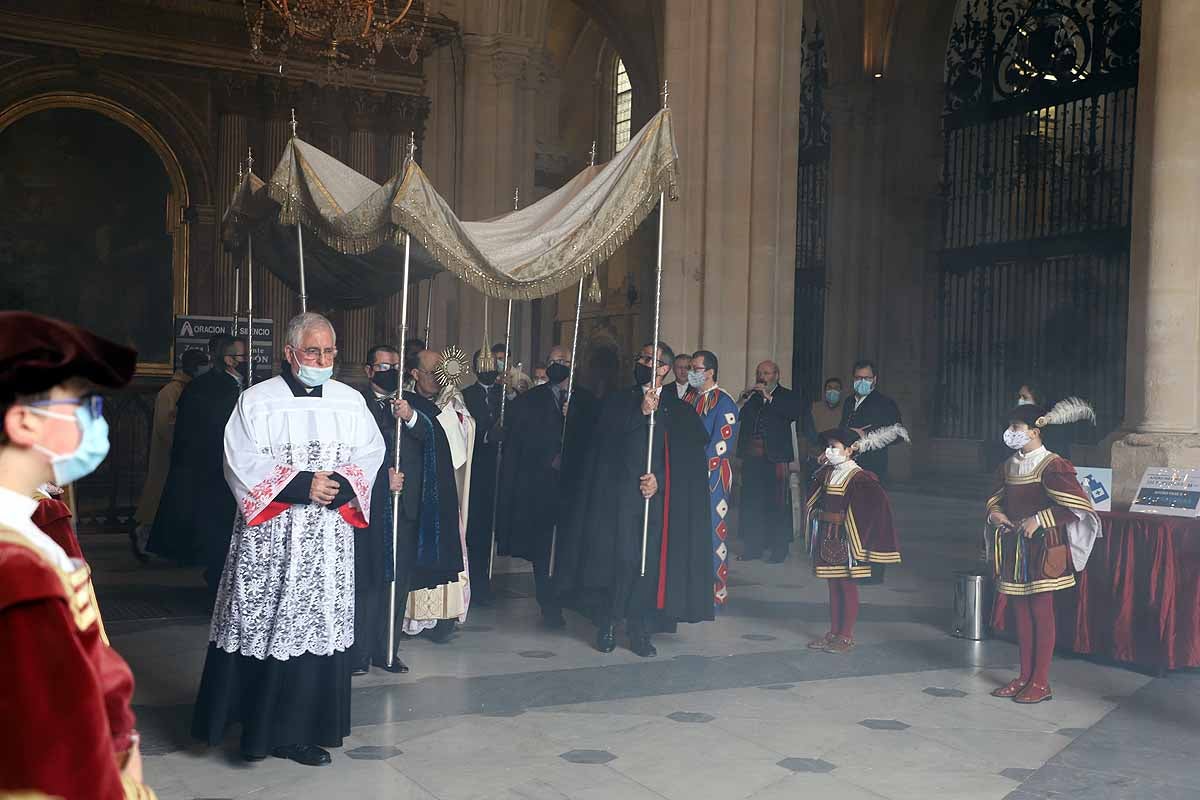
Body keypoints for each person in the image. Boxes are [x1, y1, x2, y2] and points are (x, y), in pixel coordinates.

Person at [191, 312, 385, 767]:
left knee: (312, 624)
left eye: (330, 351)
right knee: (264, 623)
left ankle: (300, 729)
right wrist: (301, 486)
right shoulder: (258, 400)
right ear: (290, 353)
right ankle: (252, 722)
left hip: (327, 537)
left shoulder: (349, 400)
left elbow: (371, 452)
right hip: (272, 537)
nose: (322, 359)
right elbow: (239, 460)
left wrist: (337, 482)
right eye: (313, 351)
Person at [0, 311, 155, 799]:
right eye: (80, 404)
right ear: (24, 421)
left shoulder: (30, 528)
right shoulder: (19, 568)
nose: (95, 418)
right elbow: (60, 754)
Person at [554, 341, 713, 657]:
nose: (641, 362)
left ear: (665, 369)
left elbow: (688, 463)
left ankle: (641, 630)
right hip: (619, 497)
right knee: (621, 560)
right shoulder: (618, 401)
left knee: (649, 567)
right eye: (640, 357)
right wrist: (640, 413)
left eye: (649, 359)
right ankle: (609, 623)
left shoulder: (678, 409)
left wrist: (661, 481)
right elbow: (603, 443)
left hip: (657, 502)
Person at [986, 400, 1099, 704]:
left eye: (1016, 428)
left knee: (1041, 611)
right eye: (1010, 428)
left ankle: (1041, 681)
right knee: (1020, 611)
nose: (1010, 433)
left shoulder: (1053, 464)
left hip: (1045, 549)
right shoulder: (1008, 465)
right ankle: (1024, 675)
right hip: (1015, 546)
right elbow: (995, 498)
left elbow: (1076, 507)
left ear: (1035, 431)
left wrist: (1040, 519)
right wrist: (995, 514)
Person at [495, 344, 598, 627]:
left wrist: (573, 419)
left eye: (562, 361)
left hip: (574, 486)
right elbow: (520, 443)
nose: (556, 365)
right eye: (552, 361)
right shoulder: (529, 401)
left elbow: (595, 441)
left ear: (573, 365)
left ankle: (570, 596)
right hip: (540, 485)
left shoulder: (587, 401)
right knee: (543, 550)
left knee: (570, 545)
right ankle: (549, 604)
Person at [350, 345, 429, 676]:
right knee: (367, 582)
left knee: (398, 582)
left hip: (403, 507)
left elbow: (430, 439)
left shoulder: (411, 407)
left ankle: (388, 651)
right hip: (369, 506)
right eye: (383, 365)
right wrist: (383, 479)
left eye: (395, 366)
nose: (390, 371)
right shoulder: (355, 405)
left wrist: (409, 417)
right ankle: (359, 654)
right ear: (369, 371)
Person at [148, 336, 246, 599]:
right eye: (241, 356)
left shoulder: (230, 385)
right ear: (228, 360)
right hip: (209, 466)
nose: (246, 361)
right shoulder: (208, 387)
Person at [804, 428, 902, 654]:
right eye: (827, 447)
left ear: (848, 451)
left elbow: (875, 508)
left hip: (847, 540)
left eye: (834, 447)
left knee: (846, 586)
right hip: (828, 536)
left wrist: (850, 527)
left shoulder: (860, 477)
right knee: (832, 585)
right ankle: (833, 632)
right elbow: (815, 494)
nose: (829, 451)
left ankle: (845, 636)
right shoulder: (828, 472)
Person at [401, 348, 471, 642]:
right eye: (433, 373)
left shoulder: (452, 403)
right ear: (415, 374)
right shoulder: (403, 401)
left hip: (443, 488)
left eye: (444, 372)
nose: (440, 379)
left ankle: (444, 617)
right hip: (414, 490)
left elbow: (461, 448)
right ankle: (409, 618)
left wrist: (453, 417)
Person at [131, 347, 209, 562]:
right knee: (158, 499)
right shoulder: (171, 392)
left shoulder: (192, 388)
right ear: (192, 366)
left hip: (184, 455)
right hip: (169, 454)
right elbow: (167, 426)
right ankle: (141, 534)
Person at [736, 360, 810, 562]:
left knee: (777, 505)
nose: (762, 377)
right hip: (753, 459)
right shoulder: (751, 397)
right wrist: (743, 398)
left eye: (767, 373)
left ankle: (779, 550)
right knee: (752, 504)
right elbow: (738, 420)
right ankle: (753, 548)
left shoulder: (787, 396)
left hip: (775, 458)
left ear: (777, 375)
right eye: (759, 373)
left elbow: (793, 414)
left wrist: (770, 399)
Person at [682, 350, 739, 608]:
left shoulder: (724, 402)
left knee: (713, 531)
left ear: (710, 371)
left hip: (712, 476)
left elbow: (720, 445)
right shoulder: (690, 398)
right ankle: (690, 587)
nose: (691, 372)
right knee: (688, 531)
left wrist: (698, 471)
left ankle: (716, 592)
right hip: (687, 473)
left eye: (696, 368)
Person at [461, 349, 504, 605]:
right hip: (476, 473)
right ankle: (476, 583)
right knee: (476, 530)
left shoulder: (505, 396)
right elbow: (463, 430)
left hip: (501, 470)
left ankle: (488, 579)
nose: (489, 369)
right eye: (484, 364)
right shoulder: (466, 396)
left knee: (492, 530)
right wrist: (488, 436)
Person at [840, 359, 901, 482]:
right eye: (858, 378)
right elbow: (842, 427)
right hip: (847, 465)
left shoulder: (885, 403)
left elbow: (897, 434)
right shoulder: (848, 402)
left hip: (872, 466)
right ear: (853, 379)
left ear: (874, 379)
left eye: (867, 378)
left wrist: (869, 436)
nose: (862, 382)